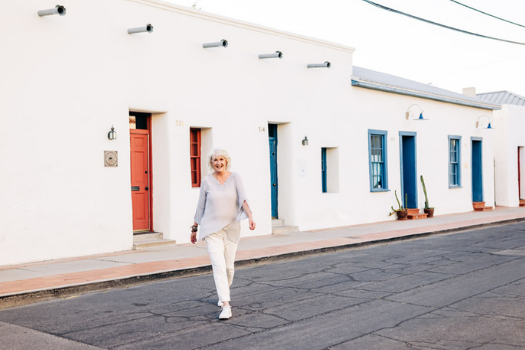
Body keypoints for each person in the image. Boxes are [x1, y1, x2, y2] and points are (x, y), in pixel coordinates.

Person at [191, 149, 256, 320]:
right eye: (214, 160)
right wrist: (195, 227)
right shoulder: (206, 181)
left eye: (221, 159)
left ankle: (224, 292)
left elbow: (243, 198)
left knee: (228, 267)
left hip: (231, 229)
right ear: (211, 163)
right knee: (218, 267)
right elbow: (200, 206)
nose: (218, 162)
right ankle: (225, 304)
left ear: (226, 161)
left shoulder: (235, 178)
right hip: (211, 230)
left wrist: (250, 216)